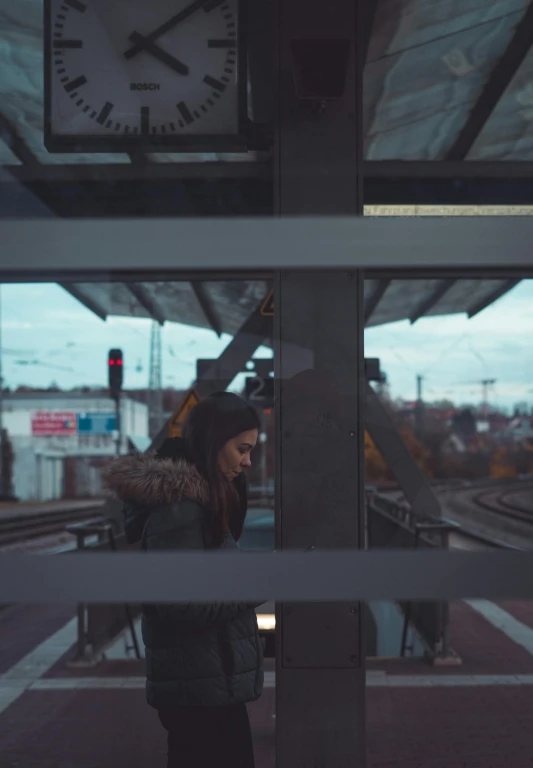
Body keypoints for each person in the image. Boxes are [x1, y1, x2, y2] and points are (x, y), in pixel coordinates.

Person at [102, 392, 264, 768]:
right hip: (198, 689)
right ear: (213, 441)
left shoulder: (200, 502)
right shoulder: (180, 512)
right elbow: (182, 607)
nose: (248, 461)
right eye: (242, 448)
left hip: (205, 682)